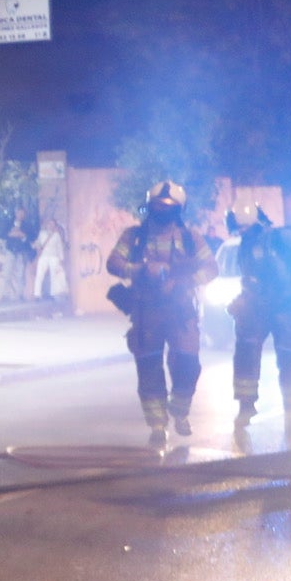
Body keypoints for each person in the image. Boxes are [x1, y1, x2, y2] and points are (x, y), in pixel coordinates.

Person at [105, 181, 217, 444]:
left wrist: (187, 280)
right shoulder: (133, 236)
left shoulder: (191, 238)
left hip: (181, 312)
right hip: (147, 313)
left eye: (168, 207)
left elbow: (211, 268)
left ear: (179, 210)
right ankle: (157, 425)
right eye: (157, 206)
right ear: (149, 207)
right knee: (149, 368)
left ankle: (180, 411)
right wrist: (140, 270)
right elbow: (113, 262)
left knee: (187, 364)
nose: (162, 210)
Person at [225, 205, 291, 421]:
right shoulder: (245, 245)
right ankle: (246, 406)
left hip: (286, 305)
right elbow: (251, 279)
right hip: (258, 307)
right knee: (246, 352)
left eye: (242, 227)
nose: (240, 232)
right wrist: (243, 299)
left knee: (289, 357)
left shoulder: (281, 238)